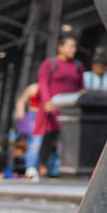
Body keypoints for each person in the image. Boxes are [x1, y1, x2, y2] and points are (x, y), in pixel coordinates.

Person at [33, 36, 83, 179]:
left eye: (74, 46)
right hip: (52, 106)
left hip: (70, 108)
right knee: (48, 137)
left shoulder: (78, 65)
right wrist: (47, 102)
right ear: (60, 48)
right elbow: (43, 83)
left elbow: (81, 87)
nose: (73, 49)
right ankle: (42, 167)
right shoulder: (50, 64)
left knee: (69, 138)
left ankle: (65, 168)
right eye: (70, 46)